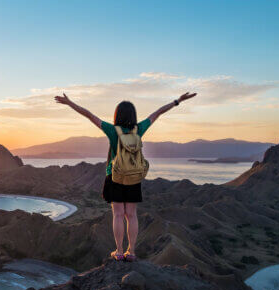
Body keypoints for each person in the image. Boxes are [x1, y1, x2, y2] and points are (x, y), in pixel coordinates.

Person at [55, 92, 197, 261]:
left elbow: (89, 115)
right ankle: (132, 252)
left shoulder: (112, 130)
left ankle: (119, 251)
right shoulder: (139, 129)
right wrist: (177, 101)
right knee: (131, 215)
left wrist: (70, 103)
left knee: (118, 215)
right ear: (133, 115)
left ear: (117, 115)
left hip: (114, 177)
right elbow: (157, 113)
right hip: (133, 178)